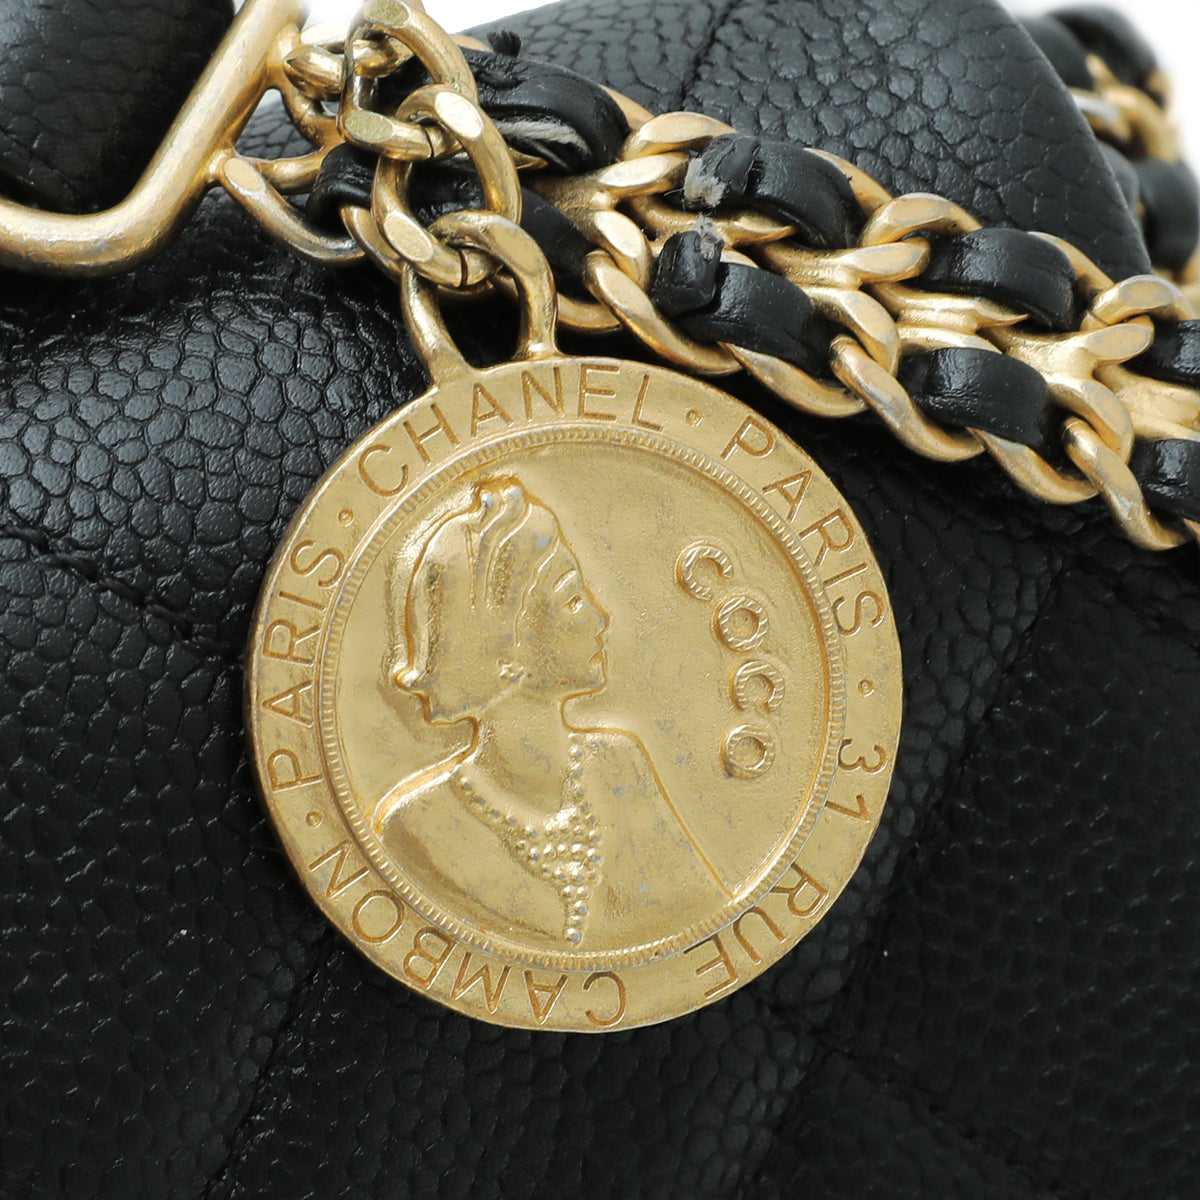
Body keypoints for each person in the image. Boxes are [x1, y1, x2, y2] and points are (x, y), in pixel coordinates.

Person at [373, 476, 731, 952]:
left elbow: (707, 922)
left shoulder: (619, 766)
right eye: (573, 601)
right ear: (505, 649)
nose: (600, 619)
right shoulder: (418, 827)